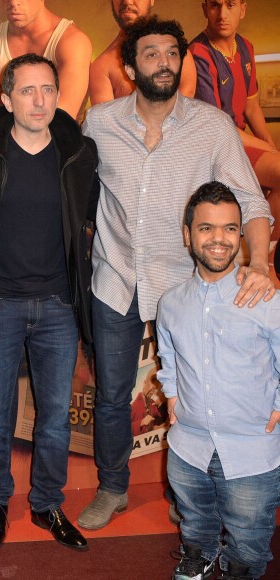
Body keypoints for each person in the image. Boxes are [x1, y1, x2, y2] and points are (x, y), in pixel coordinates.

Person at [77, 17, 273, 532]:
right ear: (129, 65)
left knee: (194, 393)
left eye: (171, 53)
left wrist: (261, 262)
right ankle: (113, 487)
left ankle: (191, 492)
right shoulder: (99, 123)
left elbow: (251, 199)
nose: (163, 62)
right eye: (150, 54)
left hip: (186, 287)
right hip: (115, 279)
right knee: (113, 395)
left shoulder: (213, 126)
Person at [0, 53, 99, 550]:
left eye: (48, 89)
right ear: (6, 99)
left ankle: (47, 505)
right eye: (27, 90)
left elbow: (91, 221)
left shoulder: (79, 155)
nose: (40, 101)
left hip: (59, 306)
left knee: (55, 418)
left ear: (60, 95)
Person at [157, 182, 280, 580]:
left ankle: (240, 569)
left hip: (251, 448)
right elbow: (168, 354)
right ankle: (199, 552)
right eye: (206, 228)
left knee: (248, 538)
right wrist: (172, 394)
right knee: (194, 519)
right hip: (188, 446)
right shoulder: (171, 302)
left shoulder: (265, 298)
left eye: (230, 228)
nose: (219, 239)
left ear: (241, 234)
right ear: (187, 234)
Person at [187, 0, 280, 273]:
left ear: (243, 8)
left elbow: (251, 106)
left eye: (230, 5)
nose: (222, 14)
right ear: (205, 9)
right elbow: (218, 126)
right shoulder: (198, 53)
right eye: (215, 5)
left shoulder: (246, 47)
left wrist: (271, 146)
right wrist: (268, 150)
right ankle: (259, 256)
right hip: (216, 144)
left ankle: (264, 251)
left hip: (241, 140)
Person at [0, 0, 92, 127]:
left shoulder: (72, 41)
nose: (13, 2)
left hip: (59, 141)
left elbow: (63, 114)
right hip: (6, 139)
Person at [88, 0, 196, 106]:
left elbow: (184, 108)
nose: (127, 2)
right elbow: (106, 122)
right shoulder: (102, 67)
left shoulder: (177, 50)